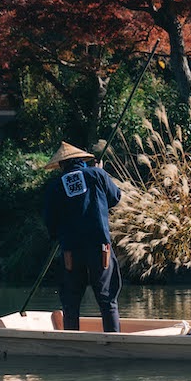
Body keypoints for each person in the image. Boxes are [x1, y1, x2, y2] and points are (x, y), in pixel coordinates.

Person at [43, 142, 122, 333]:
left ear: (62, 165)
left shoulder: (54, 186)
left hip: (71, 251)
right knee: (107, 298)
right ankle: (113, 340)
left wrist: (58, 236)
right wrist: (101, 173)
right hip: (99, 247)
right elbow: (115, 198)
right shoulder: (97, 174)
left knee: (71, 301)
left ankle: (72, 339)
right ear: (81, 160)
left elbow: (50, 221)